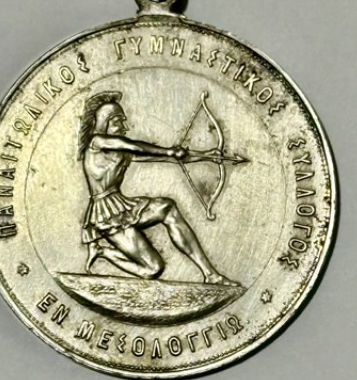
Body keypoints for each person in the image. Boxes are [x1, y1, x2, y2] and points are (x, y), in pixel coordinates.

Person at [77, 91, 237, 286]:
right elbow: (135, 146)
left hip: (122, 206)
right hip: (106, 215)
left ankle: (210, 274)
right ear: (105, 121)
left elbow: (166, 157)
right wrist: (168, 150)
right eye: (119, 121)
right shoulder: (96, 142)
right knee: (153, 269)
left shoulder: (120, 151)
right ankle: (102, 251)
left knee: (167, 208)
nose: (125, 127)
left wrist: (206, 156)